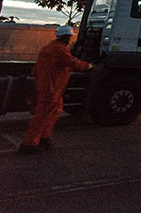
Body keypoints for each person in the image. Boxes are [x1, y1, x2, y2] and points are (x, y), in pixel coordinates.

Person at [20, 25, 94, 154]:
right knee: (43, 116)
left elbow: (37, 69)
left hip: (50, 87)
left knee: (53, 112)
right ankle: (29, 144)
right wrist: (89, 66)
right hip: (51, 88)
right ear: (67, 37)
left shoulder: (49, 48)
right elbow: (73, 63)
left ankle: (44, 137)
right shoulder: (59, 50)